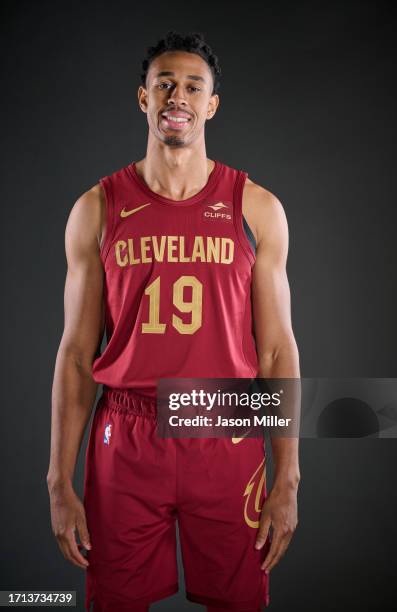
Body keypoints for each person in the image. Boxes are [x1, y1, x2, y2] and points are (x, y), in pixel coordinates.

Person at [46, 30, 301, 612]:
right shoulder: (99, 207)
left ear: (211, 104)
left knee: (239, 603)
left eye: (192, 86)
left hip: (225, 429)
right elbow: (76, 353)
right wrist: (59, 480)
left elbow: (276, 353)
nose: (176, 97)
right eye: (164, 85)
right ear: (144, 98)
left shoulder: (255, 206)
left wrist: (287, 478)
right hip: (127, 436)